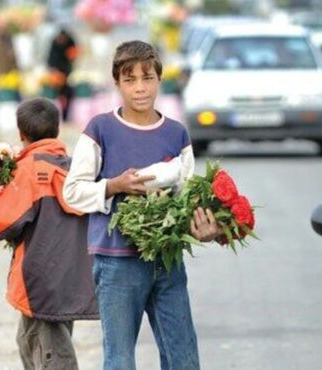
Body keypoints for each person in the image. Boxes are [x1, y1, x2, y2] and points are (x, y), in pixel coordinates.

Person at [63, 40, 220, 370]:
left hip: (168, 260)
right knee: (119, 359)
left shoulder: (176, 134)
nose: (140, 88)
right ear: (117, 84)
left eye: (147, 78)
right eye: (130, 79)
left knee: (184, 357)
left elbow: (187, 197)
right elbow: (72, 192)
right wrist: (115, 185)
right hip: (117, 263)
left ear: (160, 80)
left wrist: (207, 229)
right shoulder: (101, 129)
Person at [0, 98, 99, 370]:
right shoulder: (73, 169)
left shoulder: (28, 171)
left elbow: (1, 223)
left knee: (51, 355)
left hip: (39, 281)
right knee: (35, 341)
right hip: (69, 278)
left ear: (21, 134)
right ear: (56, 130)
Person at [47, 29, 78, 121]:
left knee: (68, 96)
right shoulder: (54, 44)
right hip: (56, 74)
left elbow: (73, 56)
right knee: (57, 97)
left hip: (68, 73)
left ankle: (65, 116)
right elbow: (50, 59)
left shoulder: (70, 43)